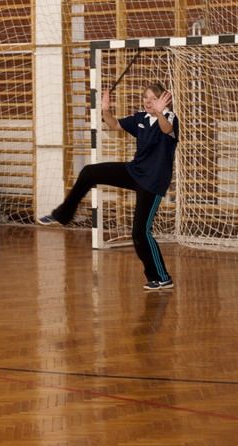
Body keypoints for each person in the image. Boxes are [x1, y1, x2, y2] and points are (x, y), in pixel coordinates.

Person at [38, 83, 179, 291]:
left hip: (153, 181)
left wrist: (160, 112)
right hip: (134, 171)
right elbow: (115, 125)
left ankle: (162, 277)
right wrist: (106, 110)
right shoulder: (140, 118)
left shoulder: (169, 118)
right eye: (145, 97)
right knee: (89, 172)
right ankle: (63, 214)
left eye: (153, 98)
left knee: (140, 232)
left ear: (163, 101)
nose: (148, 101)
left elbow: (167, 129)